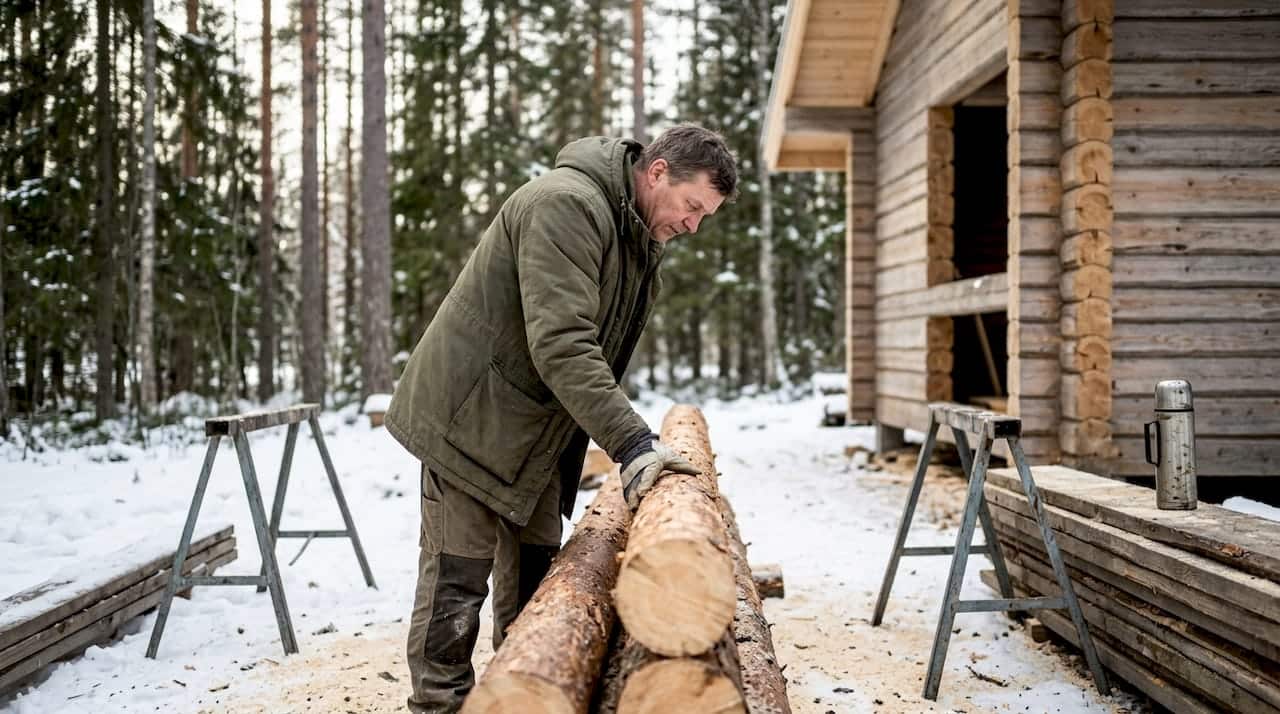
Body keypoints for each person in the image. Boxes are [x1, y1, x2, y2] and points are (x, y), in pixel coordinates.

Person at [384, 124, 739, 712]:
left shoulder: (634, 234)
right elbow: (565, 345)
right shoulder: (566, 206)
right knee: (457, 586)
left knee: (536, 592)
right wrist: (632, 444)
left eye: (705, 215)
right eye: (692, 206)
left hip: (535, 431)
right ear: (657, 174)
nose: (693, 225)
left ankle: (521, 695)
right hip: (468, 422)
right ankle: (438, 708)